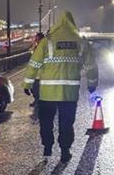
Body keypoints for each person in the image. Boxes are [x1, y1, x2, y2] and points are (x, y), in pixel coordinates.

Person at [23, 11, 98, 163]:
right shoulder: (81, 42)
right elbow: (91, 66)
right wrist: (92, 83)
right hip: (69, 94)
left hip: (47, 94)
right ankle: (65, 151)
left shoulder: (47, 41)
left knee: (46, 121)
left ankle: (47, 148)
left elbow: (34, 64)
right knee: (66, 122)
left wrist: (27, 84)